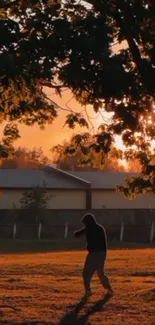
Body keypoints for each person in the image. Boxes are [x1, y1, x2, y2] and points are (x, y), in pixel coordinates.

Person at [74, 213, 114, 300]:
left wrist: (77, 233)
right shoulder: (99, 228)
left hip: (94, 254)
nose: (85, 225)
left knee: (86, 273)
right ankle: (109, 289)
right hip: (102, 253)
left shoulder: (89, 228)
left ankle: (88, 291)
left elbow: (78, 233)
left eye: (85, 223)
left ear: (88, 222)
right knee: (100, 272)